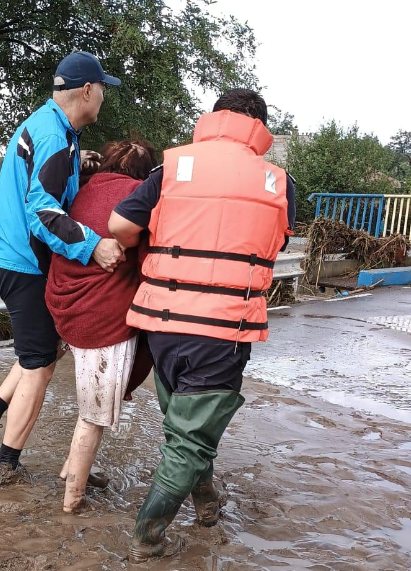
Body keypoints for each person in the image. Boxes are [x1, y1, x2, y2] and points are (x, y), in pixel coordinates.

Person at [108, 89, 296, 563]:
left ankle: (207, 502)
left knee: (186, 424)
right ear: (259, 127)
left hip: (163, 323)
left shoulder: (171, 166)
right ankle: (146, 539)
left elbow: (119, 226)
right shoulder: (278, 182)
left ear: (215, 118)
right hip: (223, 328)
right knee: (191, 436)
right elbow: (278, 242)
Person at [0, 51, 125, 474]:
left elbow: (46, 178)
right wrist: (93, 246)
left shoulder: (51, 126)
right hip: (24, 265)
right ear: (87, 90)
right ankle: (6, 463)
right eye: (102, 89)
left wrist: (79, 161)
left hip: (11, 257)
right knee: (40, 366)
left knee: (40, 349)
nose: (103, 97)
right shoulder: (55, 138)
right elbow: (42, 211)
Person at [45, 140, 158, 512]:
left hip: (62, 306)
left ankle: (73, 470)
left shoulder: (82, 188)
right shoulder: (138, 199)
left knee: (87, 404)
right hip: (100, 318)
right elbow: (148, 265)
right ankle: (72, 501)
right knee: (93, 416)